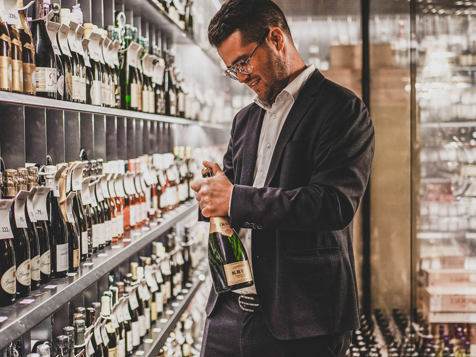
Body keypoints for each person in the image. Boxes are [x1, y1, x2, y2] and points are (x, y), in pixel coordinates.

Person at [191, 0, 375, 356]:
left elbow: (332, 205)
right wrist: (212, 194)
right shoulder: (244, 120)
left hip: (302, 322)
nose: (241, 77)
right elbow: (232, 198)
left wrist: (233, 198)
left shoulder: (341, 110)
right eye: (232, 70)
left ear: (276, 39)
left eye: (244, 62)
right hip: (228, 313)